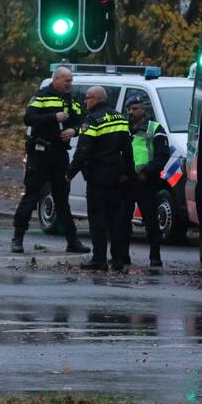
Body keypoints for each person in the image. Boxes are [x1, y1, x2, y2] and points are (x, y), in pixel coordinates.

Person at [11, 66, 90, 254]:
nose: (70, 84)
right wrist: (53, 117)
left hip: (59, 156)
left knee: (62, 200)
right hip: (40, 154)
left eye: (71, 81)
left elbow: (85, 123)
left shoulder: (71, 100)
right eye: (67, 80)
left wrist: (74, 130)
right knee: (31, 196)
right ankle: (17, 238)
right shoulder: (42, 96)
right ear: (56, 80)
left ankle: (72, 241)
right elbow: (29, 118)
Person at [67, 86, 134, 271]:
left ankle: (99, 260)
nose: (85, 101)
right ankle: (118, 260)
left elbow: (83, 150)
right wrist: (128, 173)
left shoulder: (92, 120)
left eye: (87, 98)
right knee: (116, 220)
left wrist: (70, 173)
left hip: (97, 177)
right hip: (116, 177)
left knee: (97, 219)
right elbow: (127, 150)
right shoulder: (120, 118)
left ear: (95, 99)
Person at [119, 94, 171, 268]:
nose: (131, 112)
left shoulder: (155, 128)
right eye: (129, 109)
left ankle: (155, 257)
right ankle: (123, 256)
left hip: (145, 181)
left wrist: (147, 172)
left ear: (144, 109)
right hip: (126, 180)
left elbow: (162, 155)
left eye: (135, 109)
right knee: (122, 220)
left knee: (150, 220)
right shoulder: (123, 128)